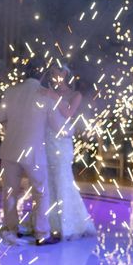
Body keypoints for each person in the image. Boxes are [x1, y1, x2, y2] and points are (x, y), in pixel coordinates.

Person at [0, 58, 65, 245]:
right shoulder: (45, 95)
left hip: (9, 150)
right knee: (40, 192)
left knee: (10, 192)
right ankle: (42, 233)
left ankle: (11, 229)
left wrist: (12, 128)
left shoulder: (10, 92)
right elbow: (59, 127)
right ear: (42, 74)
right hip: (33, 152)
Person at [41, 64, 97, 239]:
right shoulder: (47, 91)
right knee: (49, 181)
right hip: (47, 141)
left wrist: (52, 95)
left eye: (56, 72)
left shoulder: (75, 95)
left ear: (65, 73)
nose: (53, 76)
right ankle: (50, 223)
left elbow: (68, 112)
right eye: (51, 73)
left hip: (63, 144)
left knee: (63, 180)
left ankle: (71, 224)